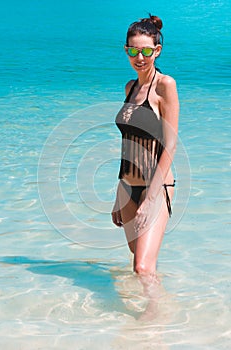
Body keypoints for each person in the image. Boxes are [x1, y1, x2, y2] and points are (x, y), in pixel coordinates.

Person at [112, 14, 179, 282]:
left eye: (147, 51)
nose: (140, 57)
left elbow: (171, 143)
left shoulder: (165, 86)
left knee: (143, 268)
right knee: (138, 260)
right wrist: (118, 195)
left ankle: (154, 319)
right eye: (133, 51)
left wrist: (151, 198)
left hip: (157, 184)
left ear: (157, 51)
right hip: (127, 186)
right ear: (127, 50)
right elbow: (126, 143)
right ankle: (154, 310)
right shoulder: (130, 87)